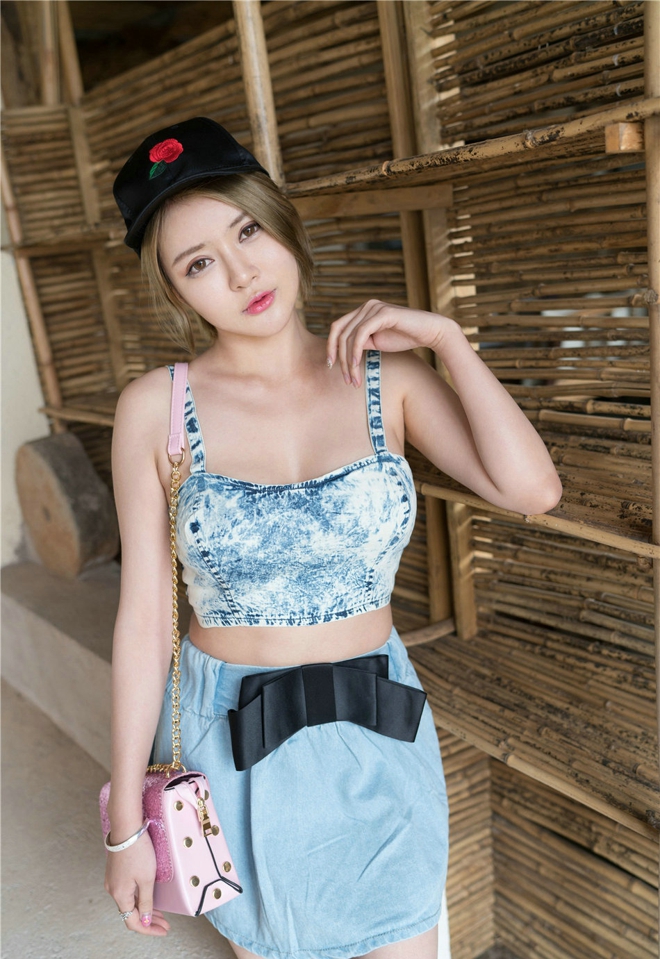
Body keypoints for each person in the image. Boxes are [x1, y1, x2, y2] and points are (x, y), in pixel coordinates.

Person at [103, 116, 562, 959]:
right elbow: (142, 621)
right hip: (230, 741)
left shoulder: (390, 380)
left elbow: (532, 489)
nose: (241, 272)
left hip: (380, 729)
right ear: (175, 292)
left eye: (247, 231)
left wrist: (447, 340)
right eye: (199, 262)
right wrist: (125, 823)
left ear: (281, 223)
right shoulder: (154, 409)